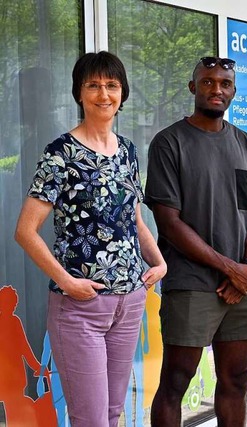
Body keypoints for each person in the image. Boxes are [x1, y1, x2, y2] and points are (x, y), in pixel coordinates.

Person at [14, 51, 167, 427]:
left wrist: (159, 262)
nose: (104, 94)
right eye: (93, 85)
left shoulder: (128, 151)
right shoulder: (59, 154)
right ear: (79, 93)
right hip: (80, 305)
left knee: (113, 414)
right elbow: (25, 231)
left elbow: (133, 218)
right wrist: (67, 282)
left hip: (129, 303)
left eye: (112, 85)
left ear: (122, 93)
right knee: (91, 419)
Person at [145, 56, 247, 426]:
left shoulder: (244, 143)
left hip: (243, 286)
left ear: (233, 91)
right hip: (192, 284)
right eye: (208, 82)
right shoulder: (169, 143)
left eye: (225, 84)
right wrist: (229, 268)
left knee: (236, 381)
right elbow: (169, 222)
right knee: (175, 383)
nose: (217, 89)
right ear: (193, 87)